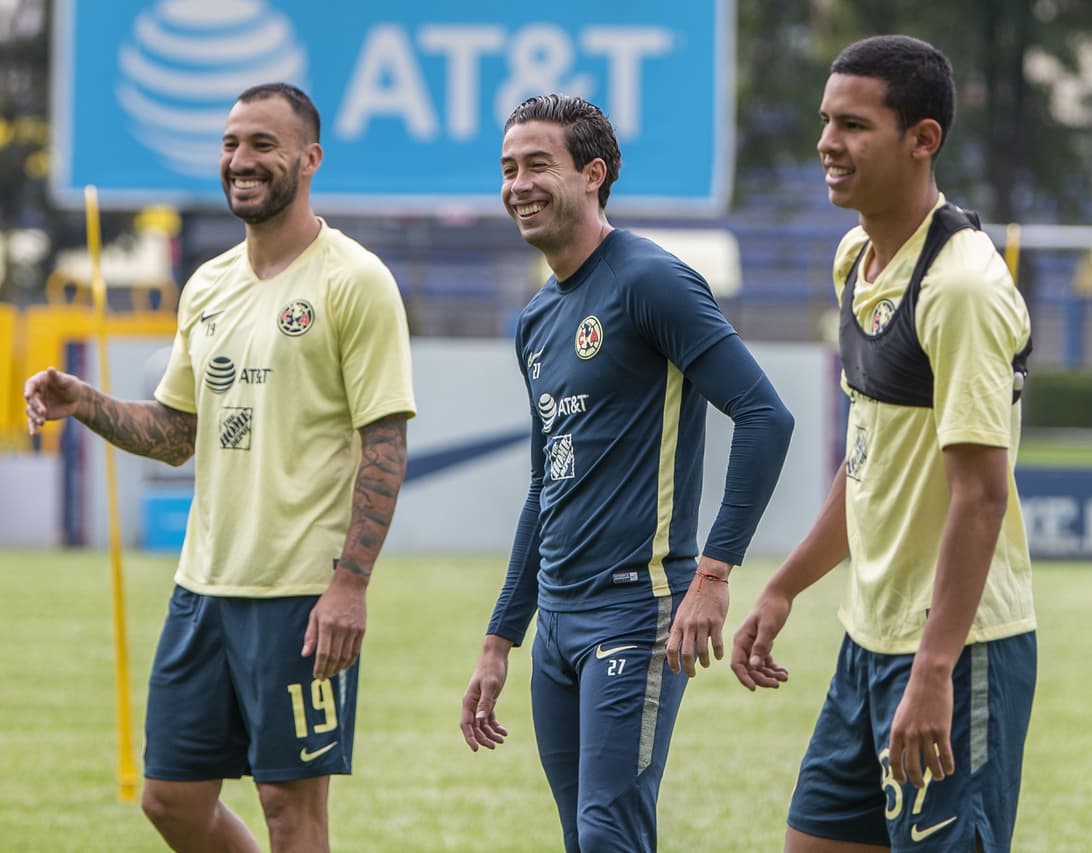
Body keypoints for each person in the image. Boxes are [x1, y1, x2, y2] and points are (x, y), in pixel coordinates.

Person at [23, 82, 416, 852]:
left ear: (309, 159)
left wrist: (350, 584)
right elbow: (175, 435)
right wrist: (84, 400)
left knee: (289, 808)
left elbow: (386, 443)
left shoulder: (354, 280)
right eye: (232, 144)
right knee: (168, 798)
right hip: (202, 587)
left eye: (262, 145)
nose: (241, 160)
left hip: (300, 592)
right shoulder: (207, 284)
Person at [459, 93, 794, 852]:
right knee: (586, 836)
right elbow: (546, 487)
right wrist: (500, 636)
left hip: (635, 613)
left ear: (594, 174)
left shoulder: (652, 281)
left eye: (538, 164)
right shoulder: (538, 319)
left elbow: (765, 415)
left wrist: (711, 576)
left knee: (609, 830)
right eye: (508, 169)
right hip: (557, 628)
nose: (519, 185)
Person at [731, 35, 1036, 853]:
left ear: (922, 138)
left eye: (854, 125)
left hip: (955, 653)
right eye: (827, 121)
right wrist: (784, 587)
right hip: (866, 644)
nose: (827, 143)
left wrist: (934, 669)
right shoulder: (855, 261)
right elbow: (869, 464)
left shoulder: (962, 287)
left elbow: (979, 494)